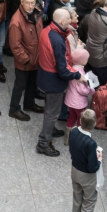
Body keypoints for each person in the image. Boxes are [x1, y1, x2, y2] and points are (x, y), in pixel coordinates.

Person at [37, 9, 82, 155]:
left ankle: (50, 130)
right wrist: (77, 76)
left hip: (45, 75)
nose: (72, 20)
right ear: (62, 22)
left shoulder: (47, 30)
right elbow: (62, 70)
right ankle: (44, 142)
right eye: (69, 19)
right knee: (52, 112)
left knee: (50, 108)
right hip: (54, 81)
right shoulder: (58, 40)